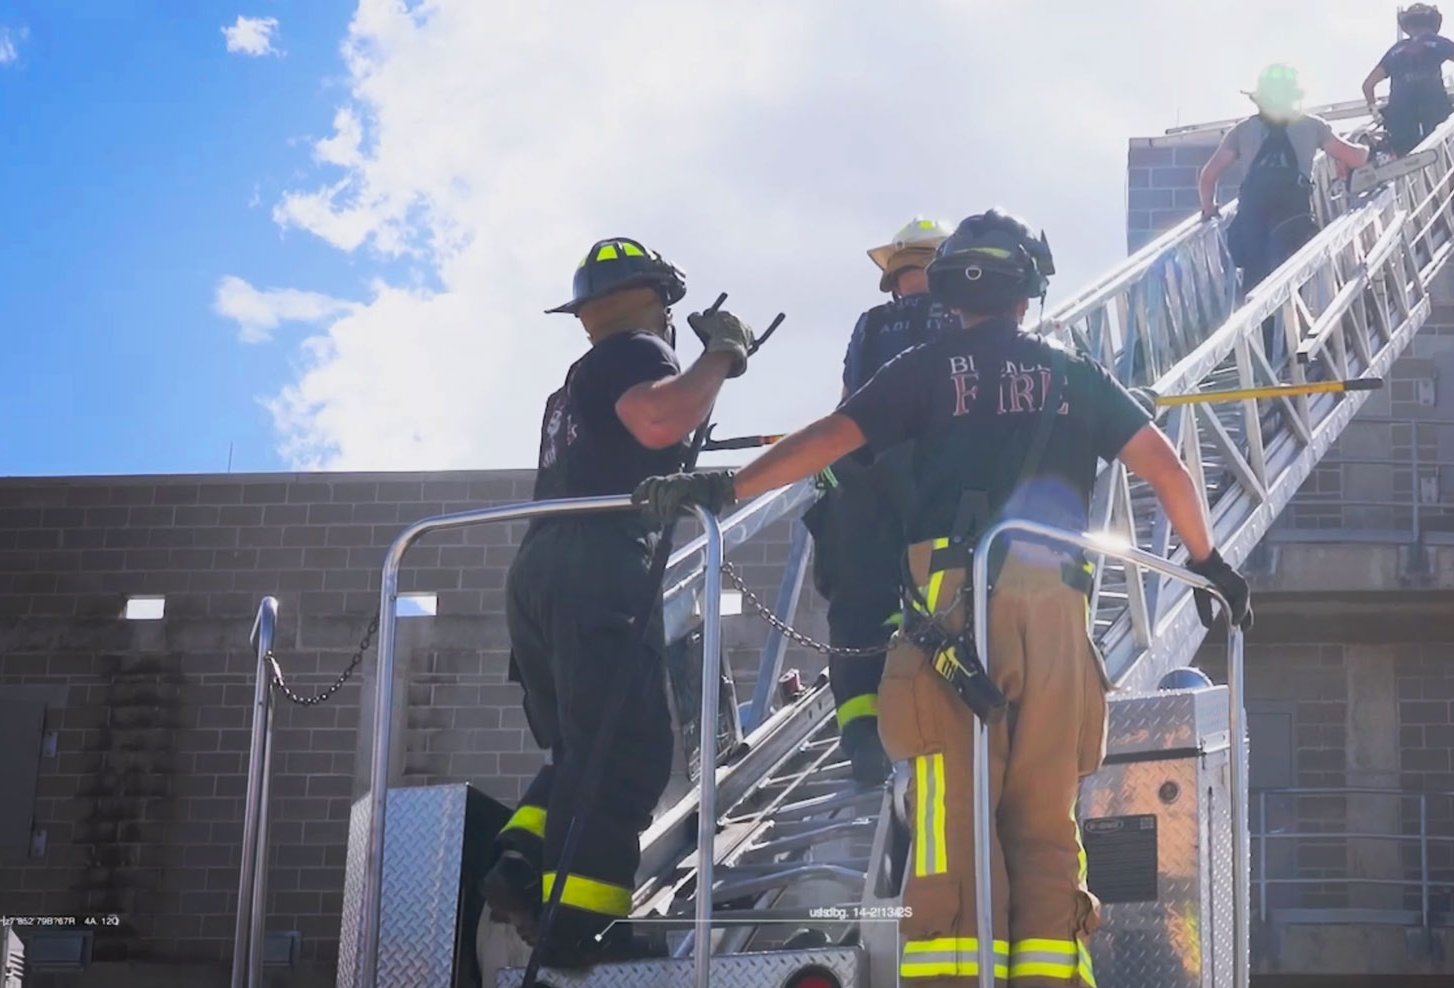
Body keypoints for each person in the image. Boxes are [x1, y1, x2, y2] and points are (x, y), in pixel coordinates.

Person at [635, 209, 1253, 986]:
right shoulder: (1074, 374)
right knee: (1046, 821)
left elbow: (831, 438)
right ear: (1029, 293)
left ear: (953, 292)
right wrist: (1212, 567)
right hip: (1061, 616)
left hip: (954, 615)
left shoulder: (924, 369)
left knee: (953, 818)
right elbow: (1165, 467)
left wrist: (724, 487)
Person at [481, 236, 758, 968]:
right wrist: (722, 356)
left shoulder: (572, 383)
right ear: (657, 299)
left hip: (541, 571)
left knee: (583, 743)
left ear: (585, 311)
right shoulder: (637, 352)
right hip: (597, 566)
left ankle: (520, 859)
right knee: (627, 752)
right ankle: (584, 931)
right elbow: (660, 421)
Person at [810, 217, 962, 785]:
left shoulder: (869, 326)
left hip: (864, 479)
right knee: (944, 601)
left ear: (895, 276)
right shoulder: (961, 318)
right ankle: (929, 720)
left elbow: (848, 406)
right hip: (935, 480)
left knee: (858, 609)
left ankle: (860, 738)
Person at [1198, 63, 1368, 292]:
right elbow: (1355, 157)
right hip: (1293, 217)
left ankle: (1256, 325)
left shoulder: (1241, 131)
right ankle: (1287, 325)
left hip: (1251, 217)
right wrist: (1367, 149)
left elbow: (1208, 176)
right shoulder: (1312, 126)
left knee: (1254, 280)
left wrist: (1209, 209)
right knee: (1289, 282)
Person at [1361, 3, 1454, 157]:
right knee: (1443, 154)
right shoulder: (1440, 43)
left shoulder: (1395, 51)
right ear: (1433, 24)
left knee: (1404, 161)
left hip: (1400, 116)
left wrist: (1374, 111)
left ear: (1407, 26)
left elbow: (1367, 85)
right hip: (1434, 109)